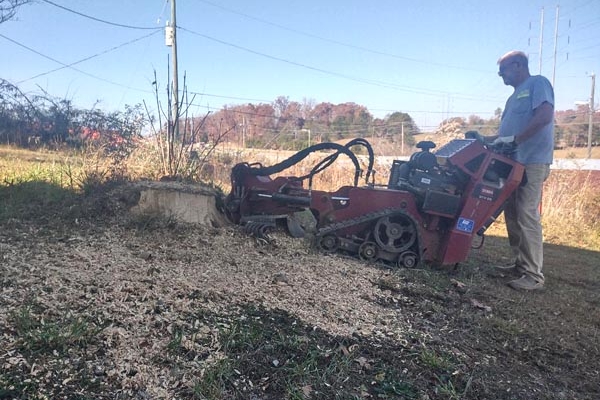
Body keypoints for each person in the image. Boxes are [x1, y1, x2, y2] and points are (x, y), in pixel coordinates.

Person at [485, 50, 555, 291]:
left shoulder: (538, 83)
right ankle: (520, 265)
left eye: (502, 70)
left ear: (517, 65)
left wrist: (517, 140)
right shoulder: (512, 98)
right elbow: (506, 134)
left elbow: (544, 115)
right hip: (513, 163)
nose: (500, 75)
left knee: (526, 212)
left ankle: (534, 275)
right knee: (512, 213)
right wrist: (485, 139)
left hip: (532, 160)